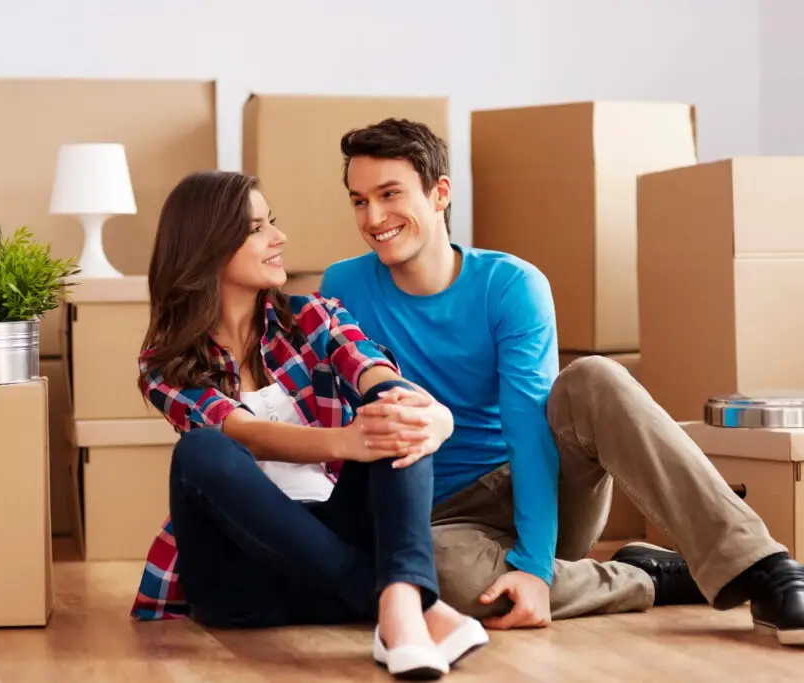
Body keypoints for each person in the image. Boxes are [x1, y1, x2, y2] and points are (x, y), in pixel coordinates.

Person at [318, 118, 804, 646]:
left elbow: (530, 431)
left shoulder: (510, 285)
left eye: (390, 195)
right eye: (359, 201)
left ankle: (761, 566)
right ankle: (651, 577)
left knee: (594, 378)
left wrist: (534, 564)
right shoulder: (343, 285)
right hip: (438, 520)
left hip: (540, 485)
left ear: (440, 194)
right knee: (431, 577)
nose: (374, 217)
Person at [128, 169, 491, 679]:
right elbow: (241, 431)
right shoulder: (165, 363)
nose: (278, 238)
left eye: (271, 223)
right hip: (242, 586)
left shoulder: (314, 317)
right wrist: (346, 441)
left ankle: (400, 606)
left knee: (394, 409)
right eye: (257, 229)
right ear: (208, 246)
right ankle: (405, 603)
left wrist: (430, 416)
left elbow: (373, 371)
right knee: (202, 451)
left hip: (332, 554)